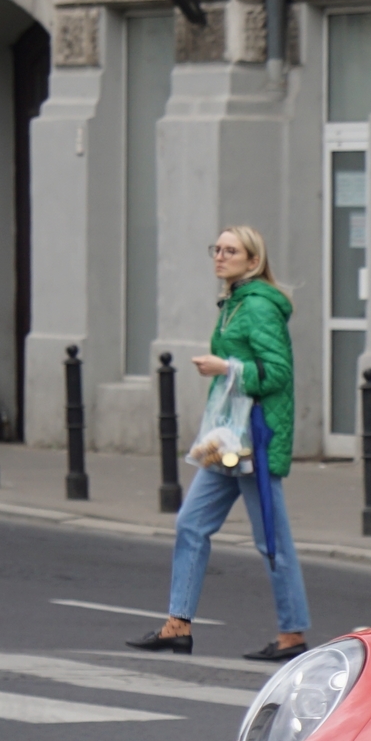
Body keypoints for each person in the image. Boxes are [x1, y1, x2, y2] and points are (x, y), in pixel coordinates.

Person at [126, 226, 311, 663]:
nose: (220, 257)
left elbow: (278, 372)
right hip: (229, 440)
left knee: (273, 542)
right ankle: (178, 625)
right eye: (218, 249)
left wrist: (224, 366)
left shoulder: (259, 307)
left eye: (232, 251)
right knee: (191, 524)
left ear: (253, 262)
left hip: (256, 439)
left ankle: (292, 635)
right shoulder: (234, 302)